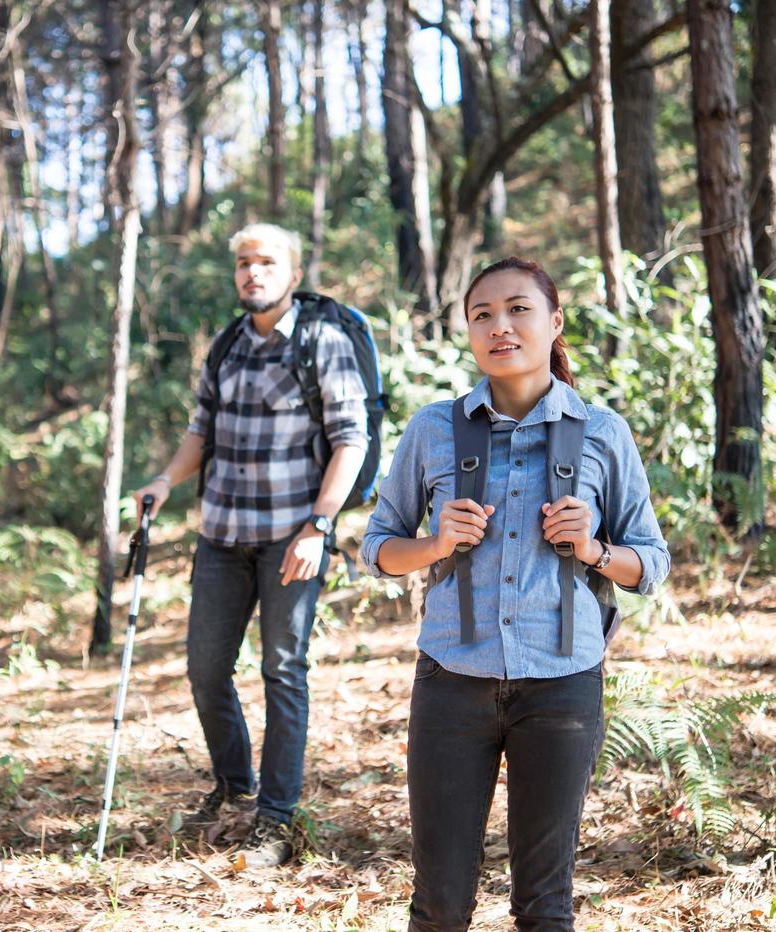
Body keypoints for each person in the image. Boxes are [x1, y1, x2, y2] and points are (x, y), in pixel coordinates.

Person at [360, 258, 670, 930]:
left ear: (553, 322)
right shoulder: (432, 429)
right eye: (481, 314)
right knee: (439, 902)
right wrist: (435, 545)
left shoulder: (601, 433)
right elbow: (378, 547)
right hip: (450, 679)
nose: (499, 325)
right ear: (469, 333)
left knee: (544, 902)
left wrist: (592, 550)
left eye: (517, 309)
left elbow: (651, 562)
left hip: (562, 682)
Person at [132, 223, 370, 868]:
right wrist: (163, 480)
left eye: (266, 262)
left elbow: (352, 440)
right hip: (220, 536)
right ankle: (235, 787)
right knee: (207, 671)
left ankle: (275, 819)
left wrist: (319, 526)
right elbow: (199, 433)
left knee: (282, 671)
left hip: (292, 538)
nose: (252, 273)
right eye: (243, 262)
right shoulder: (227, 345)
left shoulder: (324, 341)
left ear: (293, 273)